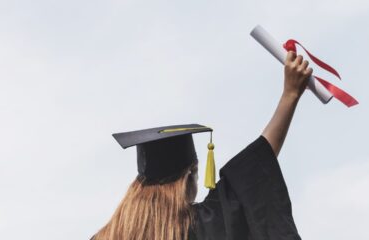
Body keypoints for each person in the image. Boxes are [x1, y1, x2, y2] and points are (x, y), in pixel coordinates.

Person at [90, 51, 312, 240]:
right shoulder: (201, 227)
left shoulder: (104, 236)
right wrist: (290, 94)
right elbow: (253, 174)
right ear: (189, 175)